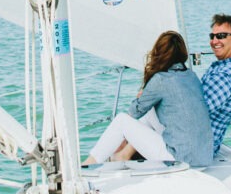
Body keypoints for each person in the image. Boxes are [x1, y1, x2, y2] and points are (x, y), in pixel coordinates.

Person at [82, 31, 213, 167]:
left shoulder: (161, 80)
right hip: (203, 158)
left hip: (180, 159)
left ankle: (88, 165)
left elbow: (134, 112)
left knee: (121, 121)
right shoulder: (192, 76)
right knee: (150, 112)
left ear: (159, 53)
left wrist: (142, 96)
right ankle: (124, 155)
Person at [202, 14, 231, 155]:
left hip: (196, 148)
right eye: (212, 36)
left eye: (221, 36)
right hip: (209, 143)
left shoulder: (224, 75)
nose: (214, 41)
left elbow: (195, 114)